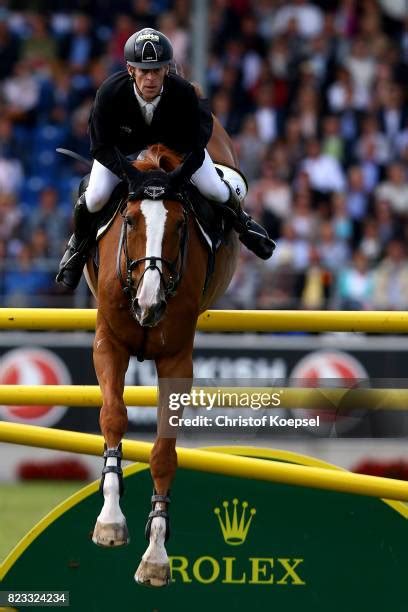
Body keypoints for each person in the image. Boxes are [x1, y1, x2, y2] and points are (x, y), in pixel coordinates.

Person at [57, 27, 275, 290]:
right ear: (130, 70)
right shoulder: (109, 93)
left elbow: (197, 146)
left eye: (157, 70)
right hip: (121, 154)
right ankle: (77, 247)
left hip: (179, 153)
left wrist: (176, 179)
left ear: (166, 70)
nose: (150, 78)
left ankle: (244, 225)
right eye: (144, 71)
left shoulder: (184, 94)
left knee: (215, 189)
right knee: (95, 197)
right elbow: (100, 148)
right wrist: (132, 176)